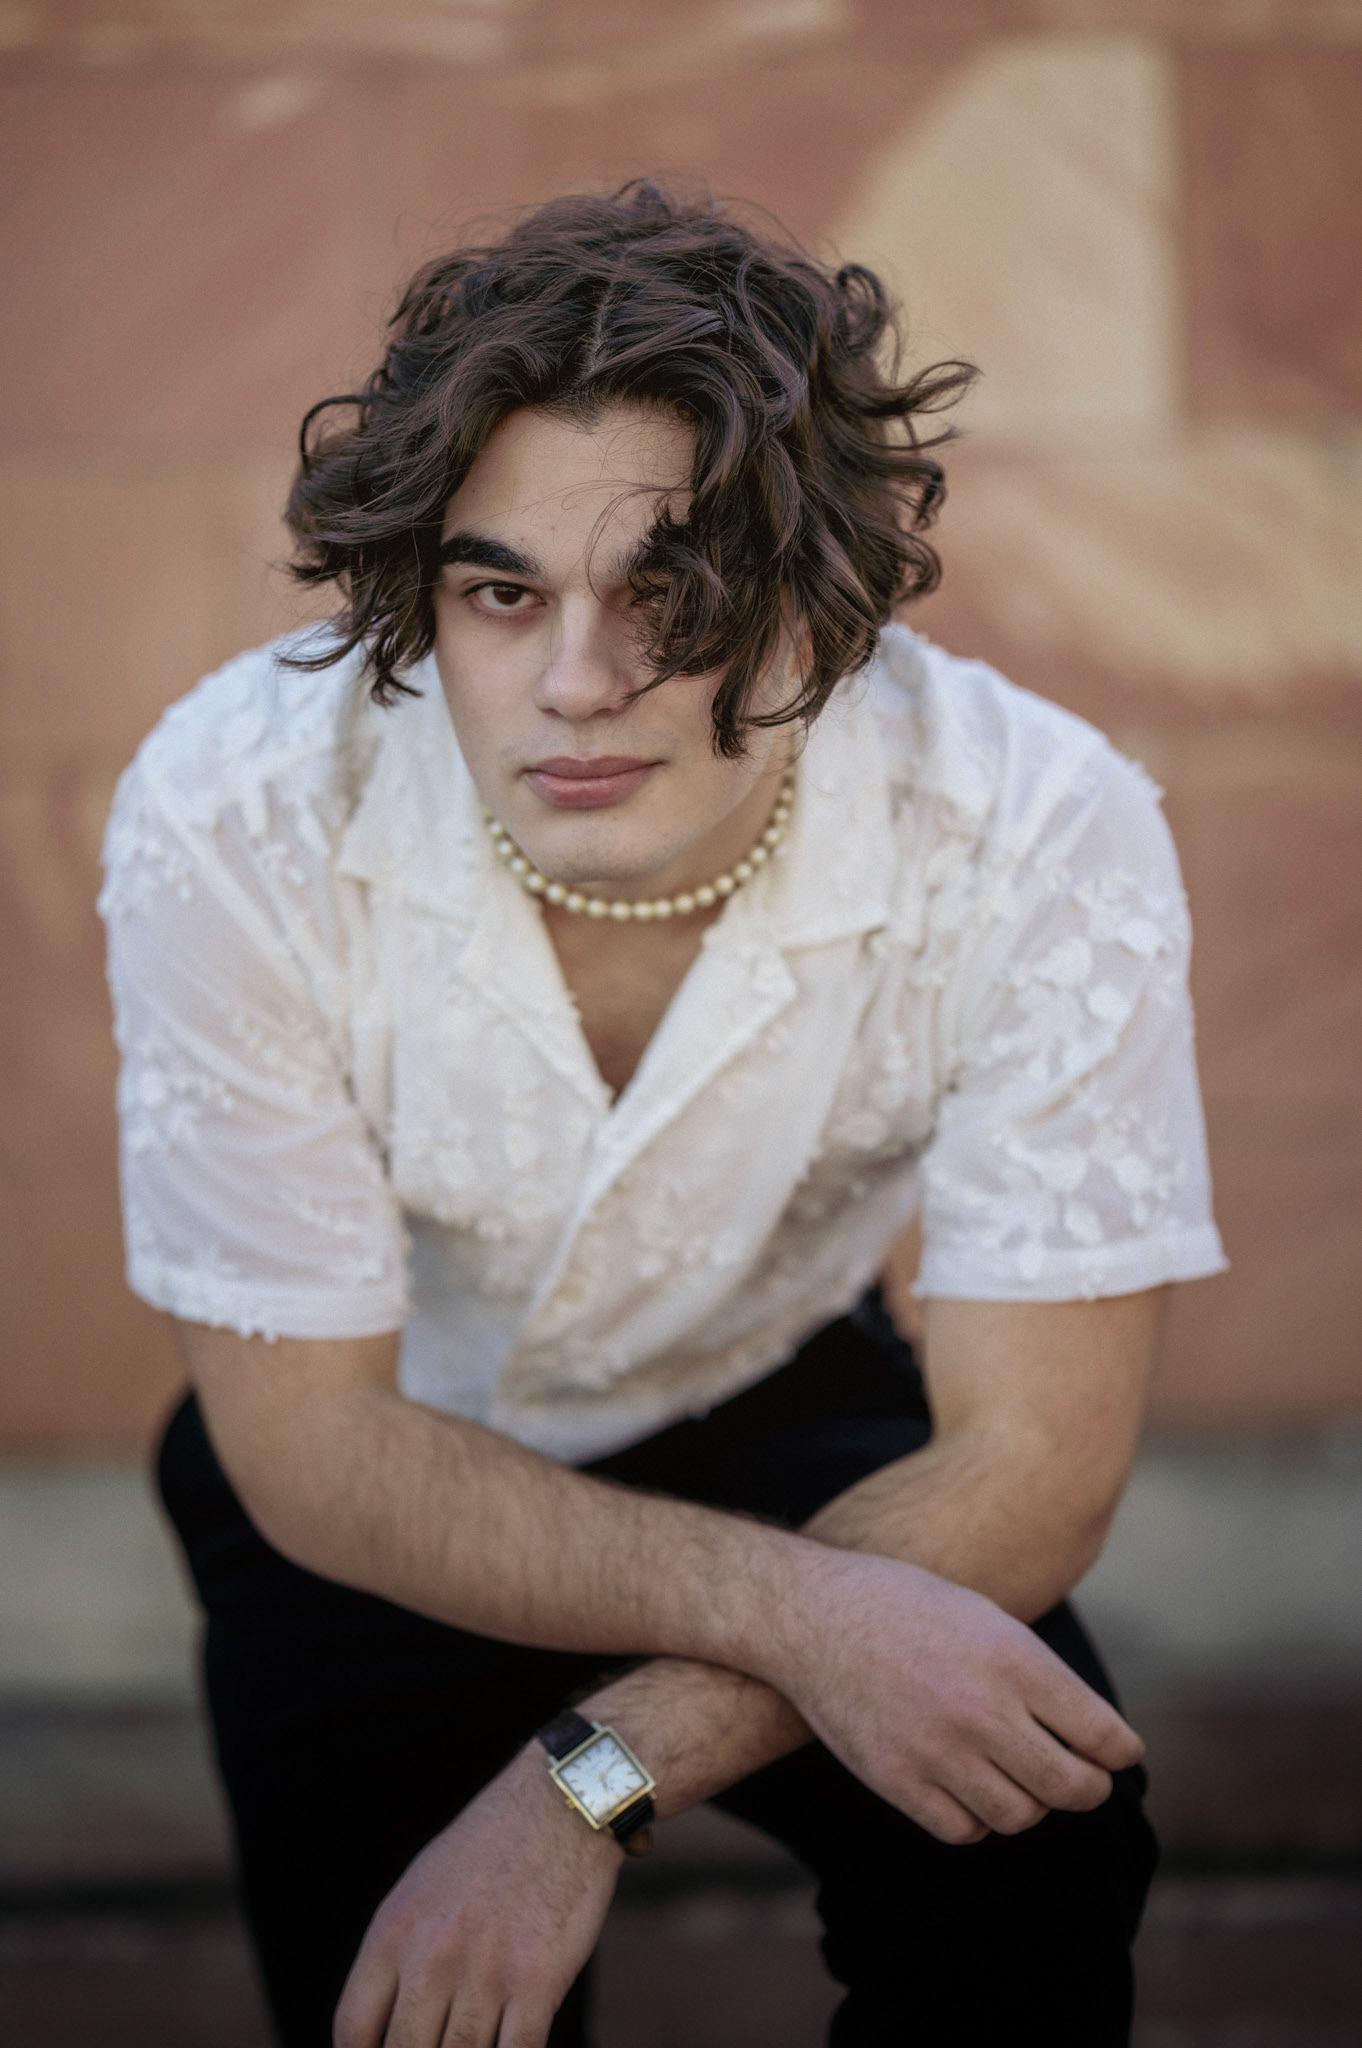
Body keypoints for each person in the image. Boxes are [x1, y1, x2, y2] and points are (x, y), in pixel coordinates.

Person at [100, 181, 1226, 2048]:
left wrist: (582, 1787)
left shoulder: (1032, 827)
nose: (574, 683)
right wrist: (806, 1624)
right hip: (382, 1463)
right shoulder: (237, 808)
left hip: (768, 1391)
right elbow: (308, 1444)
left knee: (1033, 1840)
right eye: (500, 592)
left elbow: (1033, 1462)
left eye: (671, 592)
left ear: (819, 597)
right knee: (415, 2007)